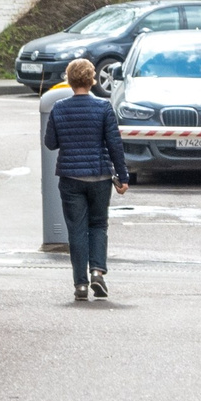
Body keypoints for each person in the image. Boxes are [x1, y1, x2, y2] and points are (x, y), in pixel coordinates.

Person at [45, 57, 129, 300]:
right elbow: (114, 144)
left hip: (70, 177)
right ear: (92, 80)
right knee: (98, 225)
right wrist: (122, 176)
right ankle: (97, 272)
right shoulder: (103, 107)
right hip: (99, 176)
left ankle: (80, 284)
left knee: (77, 229)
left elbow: (50, 143)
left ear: (69, 81)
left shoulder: (59, 108)